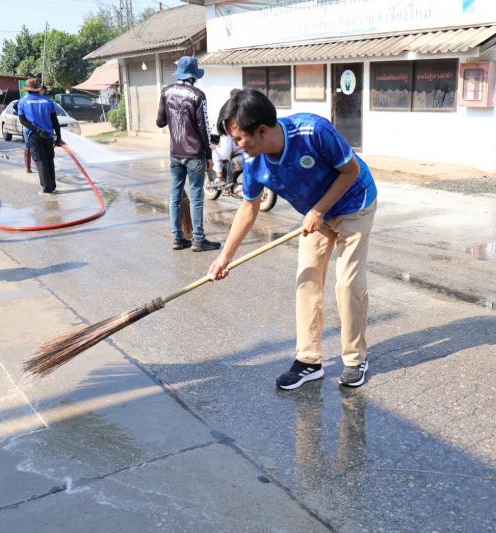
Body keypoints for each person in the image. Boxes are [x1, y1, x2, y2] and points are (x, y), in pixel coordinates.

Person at [207, 89, 378, 389]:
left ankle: (355, 359)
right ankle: (309, 361)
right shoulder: (253, 162)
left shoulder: (313, 131)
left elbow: (350, 170)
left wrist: (319, 210)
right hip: (316, 214)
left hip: (354, 203)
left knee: (347, 283)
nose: (235, 146)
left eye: (239, 139)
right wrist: (225, 257)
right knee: (306, 281)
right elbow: (249, 207)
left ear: (261, 131)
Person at [155, 56, 220, 252]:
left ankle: (178, 237)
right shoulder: (198, 95)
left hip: (175, 153)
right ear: (194, 76)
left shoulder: (166, 92)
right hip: (195, 154)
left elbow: (160, 122)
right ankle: (198, 239)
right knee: (197, 196)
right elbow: (204, 128)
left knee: (175, 195)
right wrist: (209, 155)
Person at [17, 78, 62, 194]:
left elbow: (23, 121)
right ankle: (52, 186)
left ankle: (47, 189)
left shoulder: (22, 102)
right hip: (48, 136)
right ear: (38, 89)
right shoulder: (48, 101)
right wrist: (59, 137)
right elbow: (55, 121)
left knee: (40, 161)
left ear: (27, 89)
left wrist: (37, 130)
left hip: (34, 135)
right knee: (49, 160)